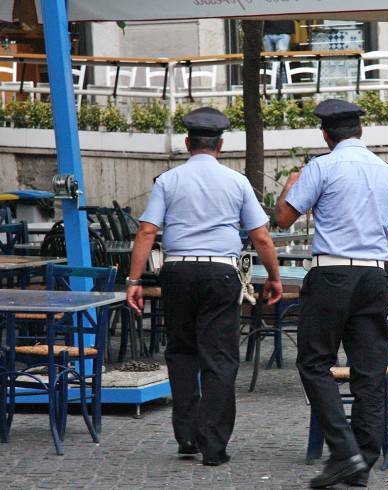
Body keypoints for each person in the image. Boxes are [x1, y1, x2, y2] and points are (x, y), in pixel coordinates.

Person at [126, 107, 283, 466]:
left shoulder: (168, 180)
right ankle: (213, 446)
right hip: (220, 275)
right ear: (221, 145)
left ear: (187, 143)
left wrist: (134, 281)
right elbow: (260, 236)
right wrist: (273, 277)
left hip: (178, 273)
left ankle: (186, 437)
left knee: (182, 353)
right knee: (219, 357)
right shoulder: (237, 182)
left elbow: (147, 231)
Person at [275, 99, 388, 488]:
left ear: (325, 135)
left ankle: (344, 450)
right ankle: (362, 460)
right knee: (369, 372)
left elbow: (283, 217)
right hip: (373, 276)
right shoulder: (387, 172)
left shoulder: (321, 167)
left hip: (331, 274)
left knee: (315, 363)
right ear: (361, 132)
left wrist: (290, 183)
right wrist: (387, 276)